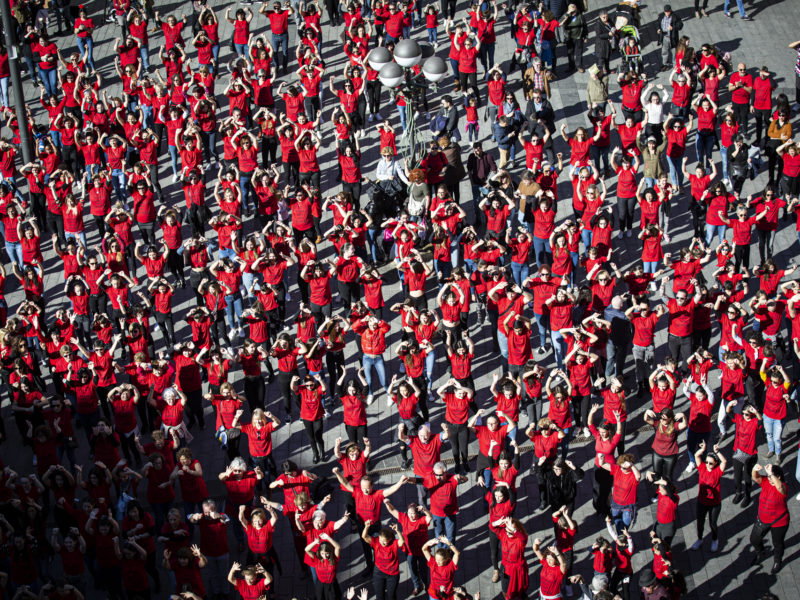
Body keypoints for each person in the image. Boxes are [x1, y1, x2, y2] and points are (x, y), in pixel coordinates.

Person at [656, 5, 682, 72]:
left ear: (670, 10)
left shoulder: (675, 17)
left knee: (674, 52)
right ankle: (665, 64)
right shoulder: (661, 16)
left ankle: (675, 65)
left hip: (672, 37)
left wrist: (673, 28)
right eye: (665, 12)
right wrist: (658, 29)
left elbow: (680, 25)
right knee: (664, 51)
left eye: (668, 12)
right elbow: (658, 23)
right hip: (664, 36)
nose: (667, 13)